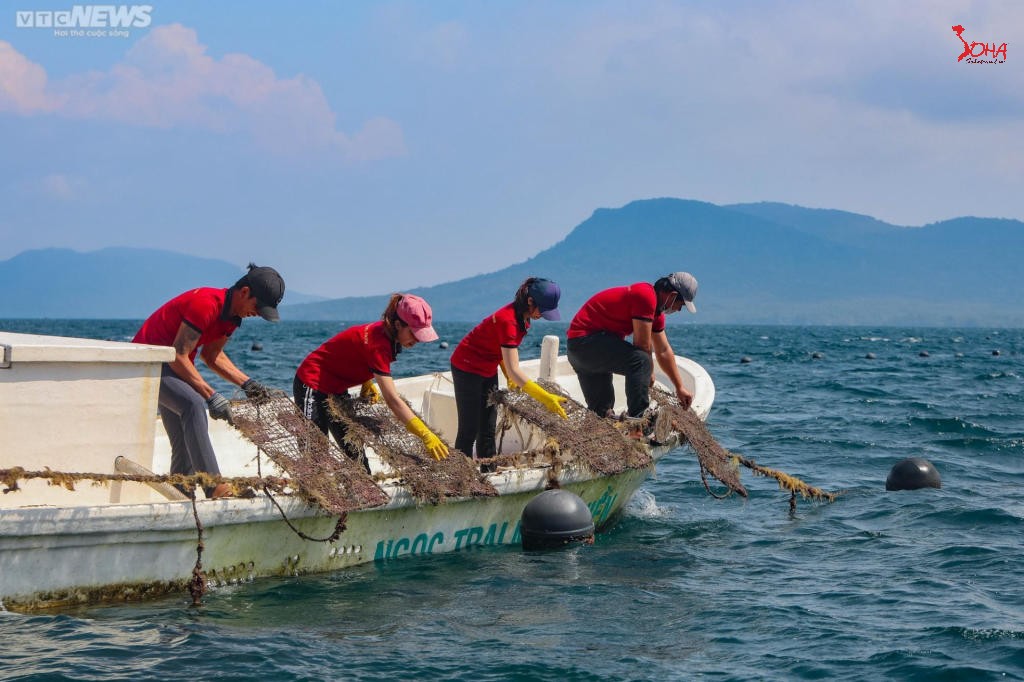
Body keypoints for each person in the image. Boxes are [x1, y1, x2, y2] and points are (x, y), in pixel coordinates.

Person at [133, 263, 285, 498]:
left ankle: (182, 491)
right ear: (244, 292)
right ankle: (215, 487)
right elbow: (178, 355)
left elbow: (212, 356)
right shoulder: (206, 303)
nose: (257, 314)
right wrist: (211, 395)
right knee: (193, 405)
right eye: (258, 306)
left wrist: (248, 384)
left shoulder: (232, 318)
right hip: (146, 366)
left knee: (185, 436)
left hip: (173, 367)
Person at [294, 293, 449, 466]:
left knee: (354, 450)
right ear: (398, 324)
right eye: (414, 333)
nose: (418, 339)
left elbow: (355, 350)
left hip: (336, 388)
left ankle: (360, 489)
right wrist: (424, 434)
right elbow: (392, 400)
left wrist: (367, 381)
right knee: (315, 454)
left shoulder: (388, 334)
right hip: (312, 383)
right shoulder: (379, 345)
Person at [450, 278, 566, 464]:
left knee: (487, 428)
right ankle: (460, 479)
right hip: (466, 367)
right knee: (469, 429)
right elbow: (514, 369)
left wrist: (506, 374)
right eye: (542, 310)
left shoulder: (523, 318)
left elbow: (502, 351)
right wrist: (545, 398)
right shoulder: (508, 321)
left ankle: (488, 472)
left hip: (487, 368)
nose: (543, 315)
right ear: (530, 301)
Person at [567, 272, 698, 425]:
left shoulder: (656, 313)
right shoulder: (645, 295)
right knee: (641, 361)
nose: (679, 310)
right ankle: (638, 423)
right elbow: (642, 345)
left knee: (601, 415)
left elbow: (663, 351)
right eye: (680, 305)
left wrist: (679, 387)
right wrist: (647, 372)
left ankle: (605, 431)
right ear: (672, 295)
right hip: (585, 344)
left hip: (582, 351)